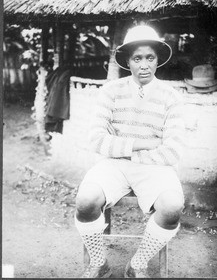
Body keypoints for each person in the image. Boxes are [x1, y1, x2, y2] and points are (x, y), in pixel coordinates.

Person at [75, 24, 185, 278]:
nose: (144, 65)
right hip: (113, 166)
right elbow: (96, 140)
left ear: (158, 60)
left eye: (150, 58)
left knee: (172, 206)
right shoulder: (110, 92)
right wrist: (144, 143)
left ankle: (138, 263)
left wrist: (122, 148)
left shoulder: (172, 97)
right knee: (85, 200)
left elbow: (172, 152)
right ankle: (99, 262)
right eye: (137, 58)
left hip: (155, 168)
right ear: (127, 61)